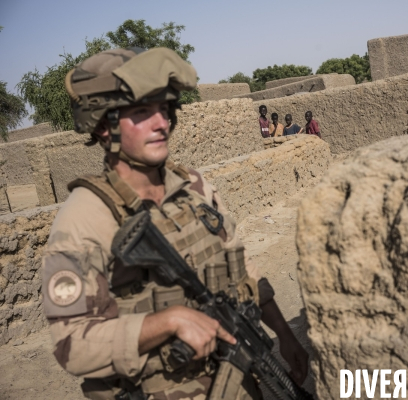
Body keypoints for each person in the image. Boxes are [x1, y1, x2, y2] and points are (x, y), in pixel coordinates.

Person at [42, 47, 308, 400]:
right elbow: (72, 346)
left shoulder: (194, 188)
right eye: (141, 112)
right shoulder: (86, 218)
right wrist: (167, 322)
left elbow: (241, 268)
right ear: (104, 126)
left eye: (164, 110)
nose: (161, 123)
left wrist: (284, 335)